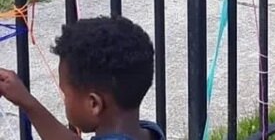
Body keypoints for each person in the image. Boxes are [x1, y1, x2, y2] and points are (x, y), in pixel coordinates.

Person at [0, 16, 164, 140]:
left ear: (94, 104)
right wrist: (28, 103)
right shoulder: (150, 132)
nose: (64, 100)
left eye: (66, 94)